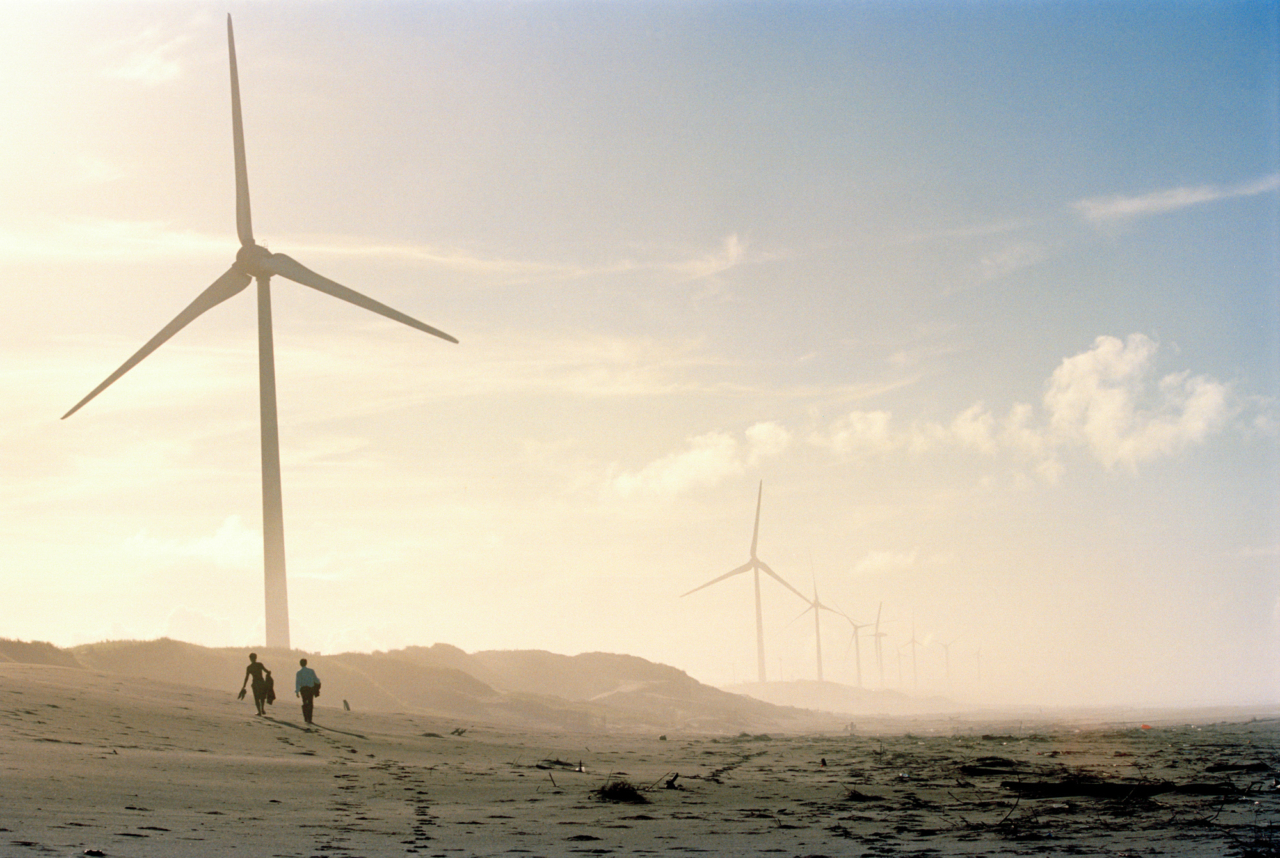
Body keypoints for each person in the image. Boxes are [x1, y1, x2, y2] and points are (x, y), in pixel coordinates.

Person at [295, 658, 320, 725]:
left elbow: (297, 683)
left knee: (305, 702)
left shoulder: (299, 672)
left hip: (303, 689)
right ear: (306, 663)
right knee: (310, 703)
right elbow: (316, 680)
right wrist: (318, 682)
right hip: (310, 689)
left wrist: (297, 691)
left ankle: (305, 718)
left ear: (300, 664)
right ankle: (310, 718)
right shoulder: (311, 671)